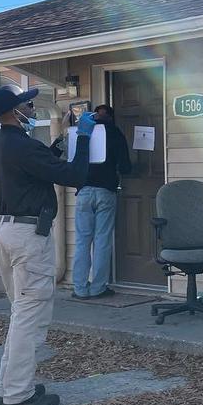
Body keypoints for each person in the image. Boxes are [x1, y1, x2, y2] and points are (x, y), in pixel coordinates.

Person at [0, 83, 95, 405]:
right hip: (28, 236)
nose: (32, 109)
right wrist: (86, 137)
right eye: (27, 106)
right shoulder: (22, 146)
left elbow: (42, 164)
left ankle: (9, 387)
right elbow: (74, 174)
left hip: (6, 231)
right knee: (29, 315)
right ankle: (19, 394)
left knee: (21, 312)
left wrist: (62, 139)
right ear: (13, 112)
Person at [71, 104, 132, 300]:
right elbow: (125, 166)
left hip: (83, 192)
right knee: (102, 240)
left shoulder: (83, 133)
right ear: (112, 118)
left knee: (82, 241)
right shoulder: (115, 133)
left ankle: (80, 288)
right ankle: (98, 288)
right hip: (105, 191)